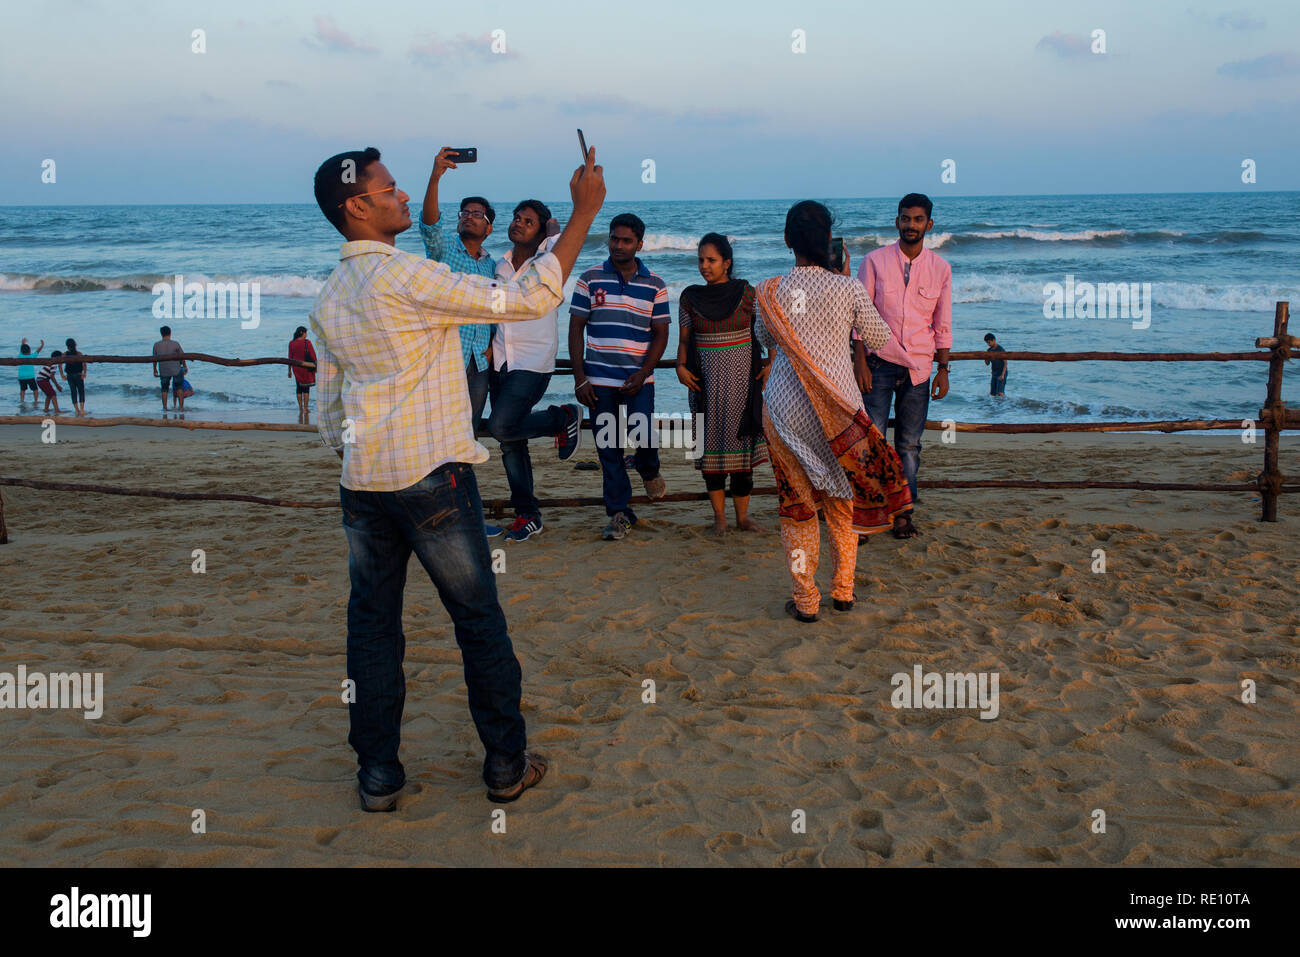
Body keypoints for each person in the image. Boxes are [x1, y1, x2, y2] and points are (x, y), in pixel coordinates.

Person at [308, 144, 605, 811]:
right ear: (358, 205)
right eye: (390, 189)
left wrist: (364, 452)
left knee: (372, 627)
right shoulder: (406, 276)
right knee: (477, 619)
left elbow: (330, 411)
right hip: (433, 477)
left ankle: (378, 775)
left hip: (364, 484)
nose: (404, 196)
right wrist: (584, 213)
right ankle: (505, 763)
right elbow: (526, 297)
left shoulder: (330, 294)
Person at [757, 201, 912, 623]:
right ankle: (843, 592)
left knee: (797, 506)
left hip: (784, 410)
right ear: (830, 241)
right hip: (839, 412)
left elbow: (762, 337)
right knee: (842, 504)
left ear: (788, 241)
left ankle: (806, 601)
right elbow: (879, 339)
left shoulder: (768, 291)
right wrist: (844, 287)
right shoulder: (848, 288)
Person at [484, 199, 585, 543]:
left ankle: (562, 417)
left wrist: (553, 228)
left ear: (541, 231)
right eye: (516, 218)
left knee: (500, 425)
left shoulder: (549, 262)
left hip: (533, 361)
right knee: (511, 442)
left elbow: (563, 239)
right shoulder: (498, 265)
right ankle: (528, 515)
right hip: (500, 360)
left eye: (528, 221)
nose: (518, 223)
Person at [852, 192, 952, 539]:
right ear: (897, 221)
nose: (911, 225)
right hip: (878, 364)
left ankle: (903, 515)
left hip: (920, 368)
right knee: (871, 440)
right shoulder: (874, 261)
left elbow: (942, 321)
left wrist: (943, 369)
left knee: (909, 444)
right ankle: (868, 515)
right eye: (905, 218)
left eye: (918, 219)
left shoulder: (941, 268)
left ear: (929, 224)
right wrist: (860, 361)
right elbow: (859, 314)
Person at [569, 213, 670, 541]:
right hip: (598, 382)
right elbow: (575, 330)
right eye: (614, 238)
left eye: (626, 240)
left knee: (642, 433)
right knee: (608, 448)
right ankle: (619, 514)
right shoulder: (589, 278)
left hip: (638, 379)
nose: (618, 245)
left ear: (639, 244)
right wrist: (580, 378)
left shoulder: (655, 283)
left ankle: (649, 468)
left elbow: (661, 334)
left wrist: (644, 372)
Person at [675, 233, 771, 534]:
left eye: (711, 260)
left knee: (742, 461)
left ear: (726, 263)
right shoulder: (690, 298)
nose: (705, 266)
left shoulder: (747, 294)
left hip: (743, 389)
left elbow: (767, 330)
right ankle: (719, 518)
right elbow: (684, 340)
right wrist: (679, 367)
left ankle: (742, 518)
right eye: (701, 260)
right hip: (706, 388)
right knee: (711, 460)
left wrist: (770, 362)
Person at [420, 148, 497, 433]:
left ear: (488, 228)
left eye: (477, 214)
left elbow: (495, 310)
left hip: (479, 362)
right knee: (436, 427)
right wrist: (435, 178)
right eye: (465, 213)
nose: (469, 217)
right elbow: (430, 226)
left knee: (468, 431)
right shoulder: (445, 250)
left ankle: (461, 476)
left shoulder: (491, 266)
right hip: (444, 357)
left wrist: (490, 348)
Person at [152, 326, 188, 412]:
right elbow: (182, 357)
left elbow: (154, 359)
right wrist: (185, 366)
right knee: (179, 388)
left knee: (164, 389)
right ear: (170, 333)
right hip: (176, 369)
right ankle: (181, 407)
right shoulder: (175, 344)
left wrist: (155, 369)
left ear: (161, 334)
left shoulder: (156, 345)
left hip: (164, 370)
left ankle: (165, 408)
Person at [288, 326, 318, 420]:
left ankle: (300, 408)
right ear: (303, 333)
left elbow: (290, 357)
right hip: (306, 366)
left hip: (296, 368)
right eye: (306, 333)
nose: (306, 334)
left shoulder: (291, 343)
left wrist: (289, 370)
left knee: (299, 387)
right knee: (306, 388)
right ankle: (305, 408)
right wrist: (316, 365)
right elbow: (313, 354)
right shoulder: (307, 342)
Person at [62, 338, 87, 415]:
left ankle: (77, 410)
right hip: (78, 374)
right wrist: (84, 373)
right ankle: (82, 410)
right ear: (75, 345)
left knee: (73, 392)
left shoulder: (65, 354)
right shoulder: (79, 353)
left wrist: (62, 374)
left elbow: (59, 363)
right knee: (81, 391)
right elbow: (84, 364)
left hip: (69, 375)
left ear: (67, 346)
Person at [37, 350, 65, 415]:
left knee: (49, 395)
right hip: (43, 379)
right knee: (53, 394)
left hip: (40, 379)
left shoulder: (50, 362)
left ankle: (46, 409)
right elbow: (52, 376)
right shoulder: (54, 365)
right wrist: (57, 385)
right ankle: (57, 410)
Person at [17, 338, 43, 403]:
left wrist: (22, 343)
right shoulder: (32, 356)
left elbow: (22, 350)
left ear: (22, 351)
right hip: (30, 376)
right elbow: (38, 351)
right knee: (35, 390)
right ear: (29, 351)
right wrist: (42, 345)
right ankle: (35, 401)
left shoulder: (20, 356)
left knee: (22, 390)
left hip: (21, 376)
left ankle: (22, 401)